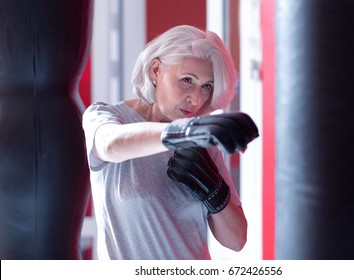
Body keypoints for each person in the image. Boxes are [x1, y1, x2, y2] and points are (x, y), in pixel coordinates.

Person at [82, 25, 258, 260]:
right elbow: (109, 144)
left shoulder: (201, 141)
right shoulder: (108, 117)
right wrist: (180, 133)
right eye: (187, 80)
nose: (196, 99)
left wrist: (214, 191)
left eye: (206, 86)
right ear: (156, 71)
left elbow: (236, 240)